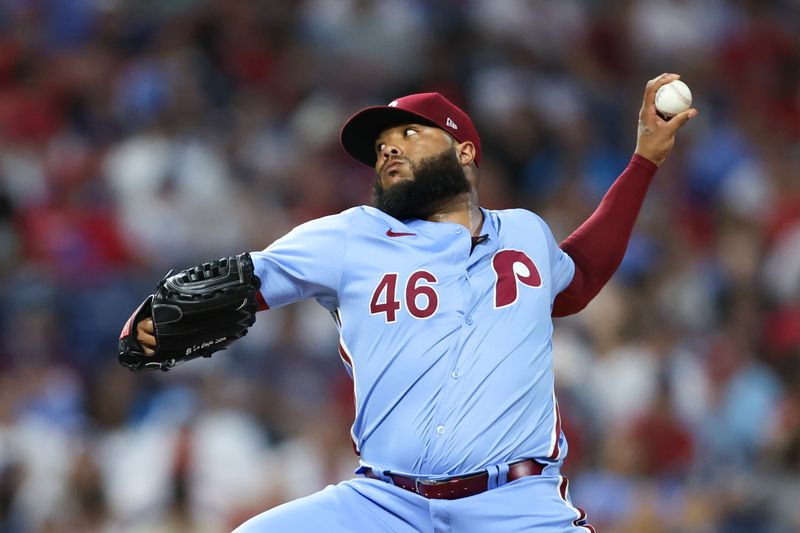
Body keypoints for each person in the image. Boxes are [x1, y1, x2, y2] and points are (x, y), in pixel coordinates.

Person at [131, 73, 697, 532]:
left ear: (465, 151)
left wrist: (643, 162)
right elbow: (246, 280)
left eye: (409, 134)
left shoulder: (525, 233)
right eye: (381, 147)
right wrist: (159, 311)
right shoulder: (352, 237)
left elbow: (579, 278)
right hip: (383, 504)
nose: (388, 149)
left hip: (516, 508)